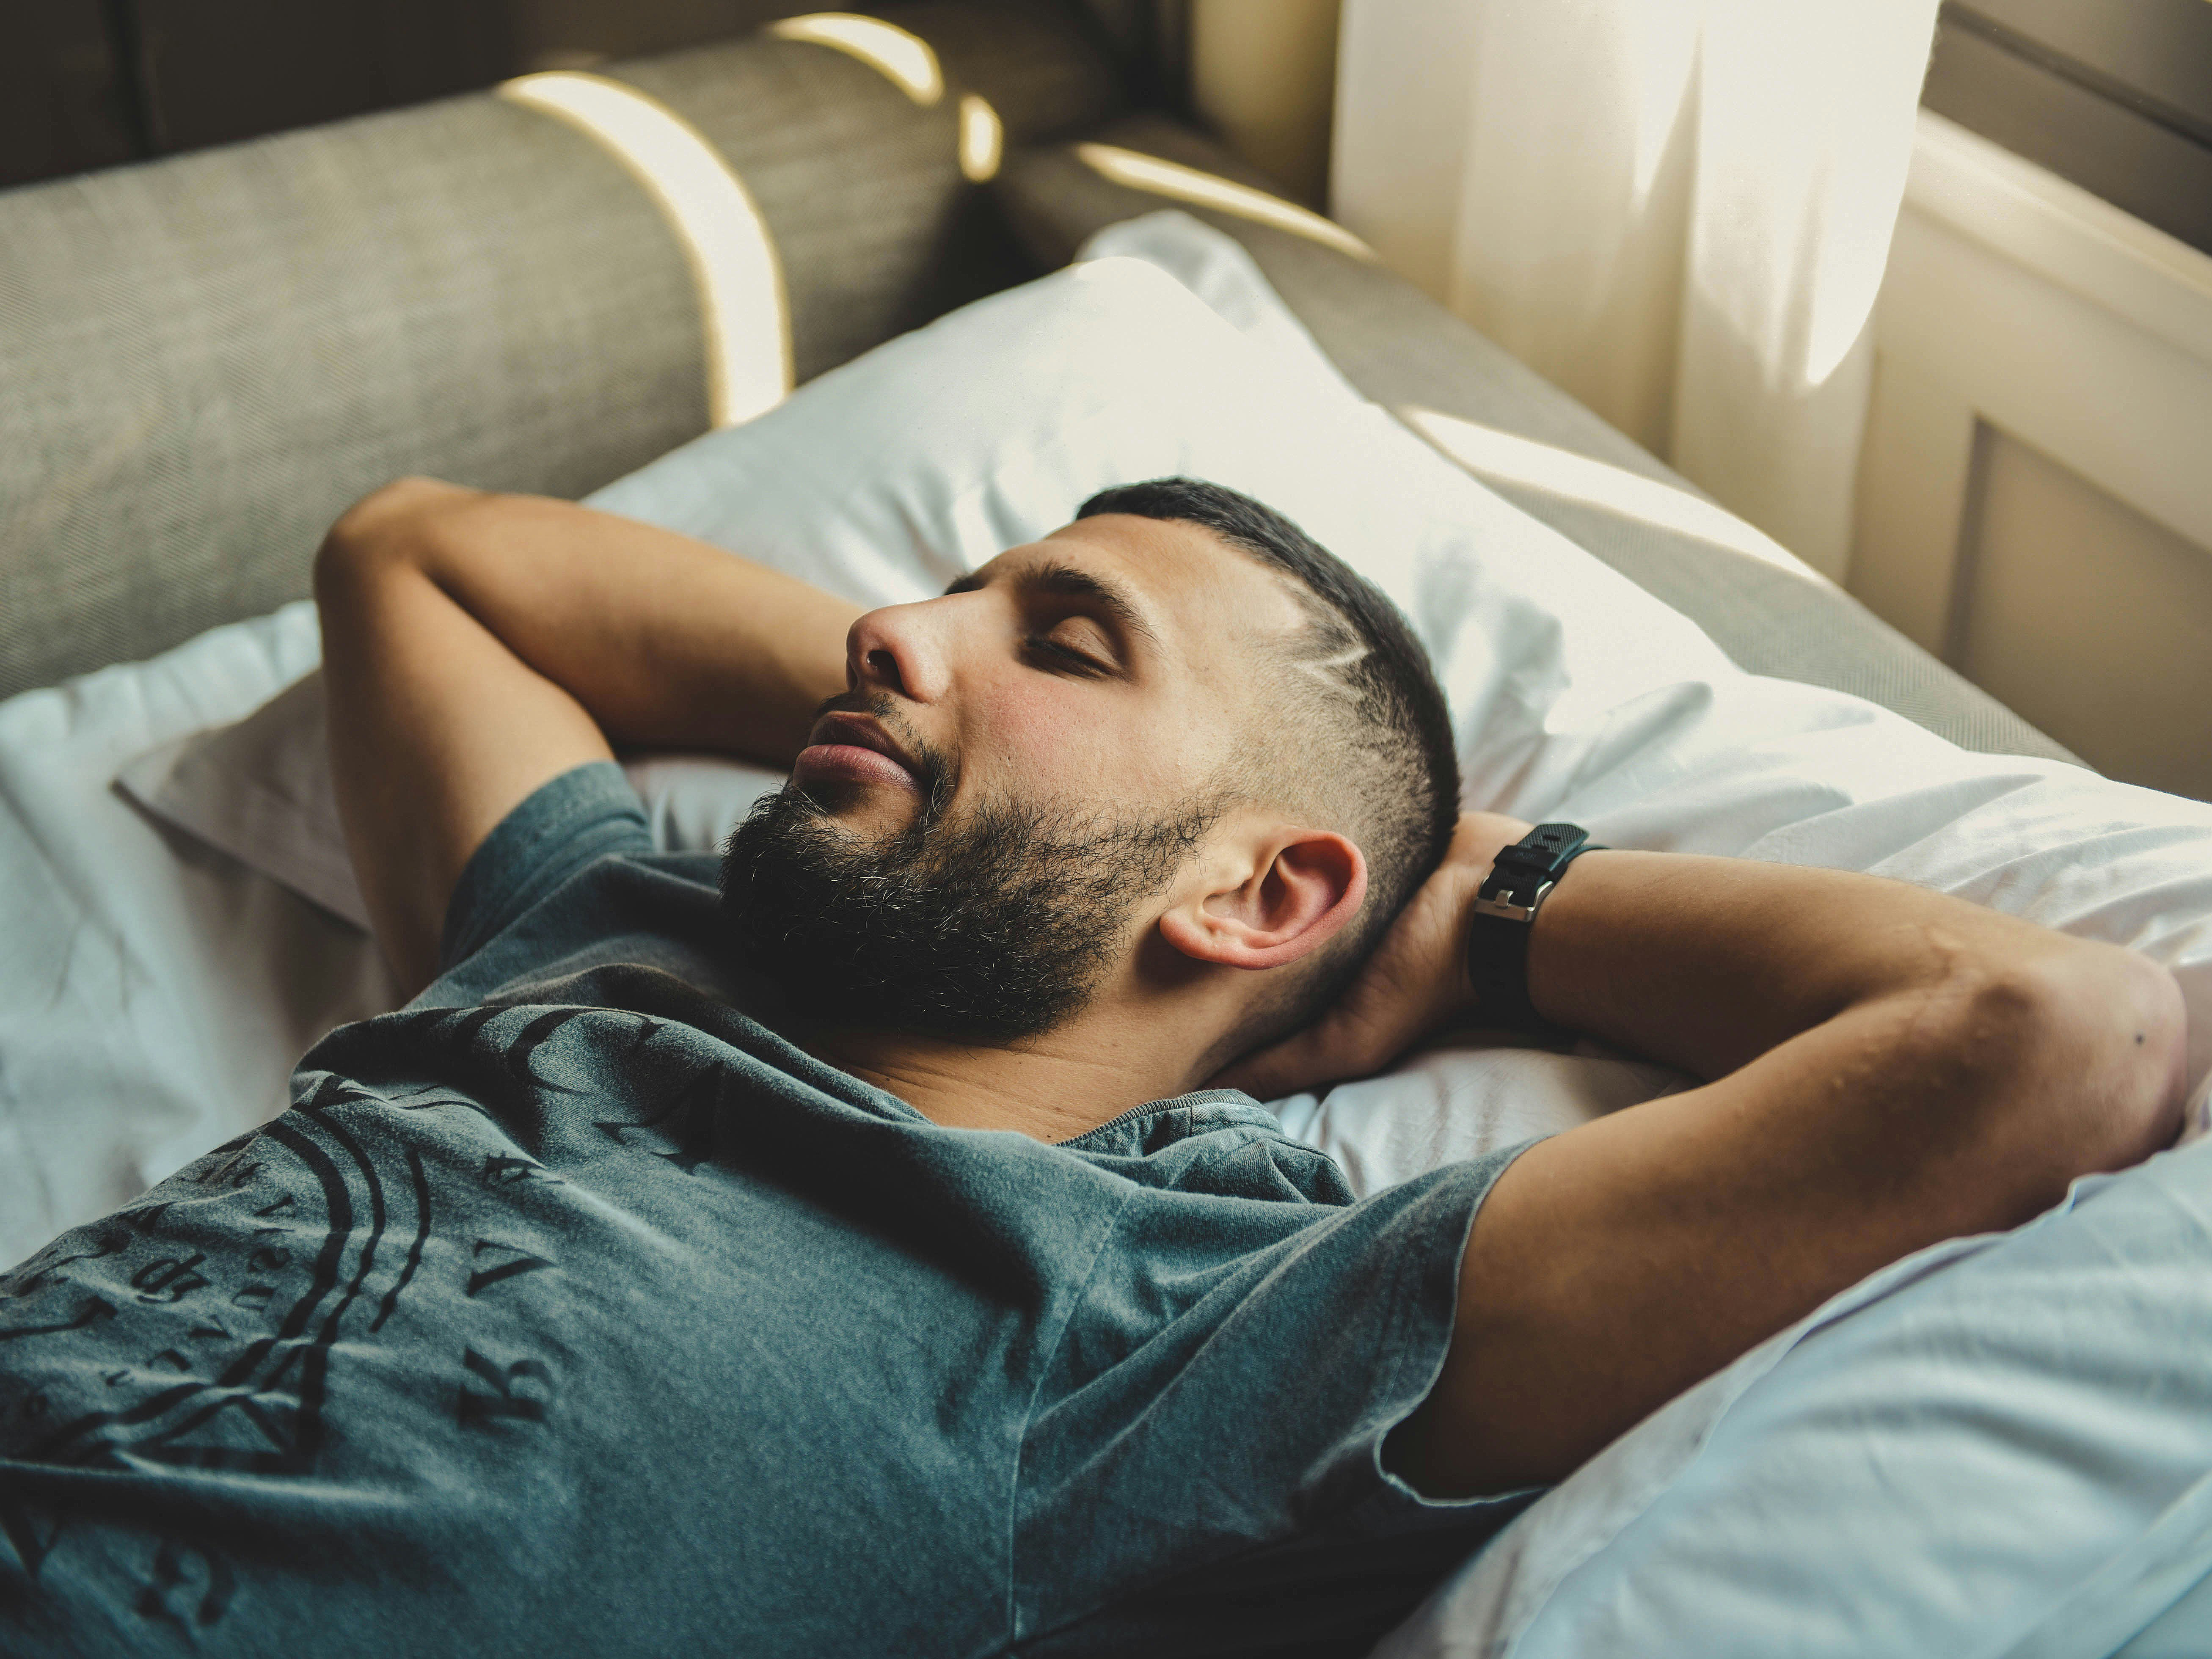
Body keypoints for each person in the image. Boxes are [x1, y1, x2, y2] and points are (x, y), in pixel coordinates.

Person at [0, 476, 2185, 1657]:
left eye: (1064, 640)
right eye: (956, 591)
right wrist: (943, 718)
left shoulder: (1169, 1325)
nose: (890, 628)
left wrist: (1476, 902)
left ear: (1263, 897)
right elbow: (426, 551)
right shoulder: (607, 930)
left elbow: (2052, 1037)